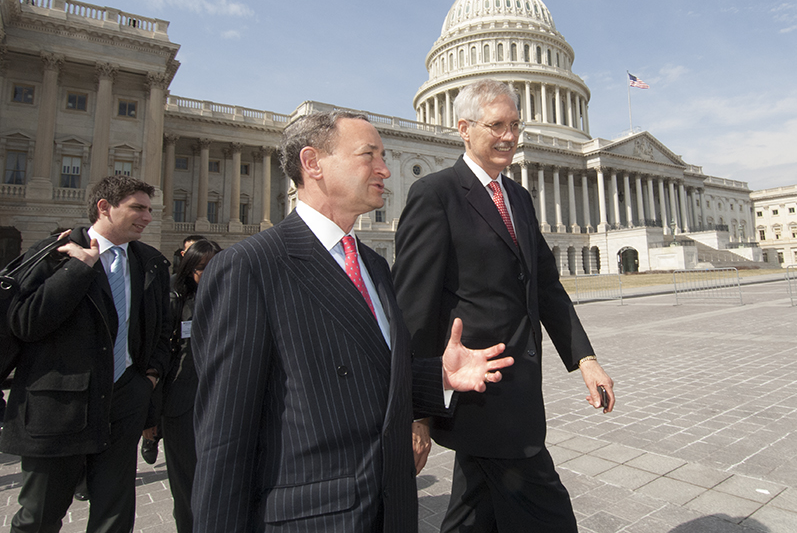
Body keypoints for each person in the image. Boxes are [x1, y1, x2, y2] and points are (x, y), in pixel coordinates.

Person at [191, 110, 514, 532]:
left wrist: (436, 377)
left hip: (389, 507)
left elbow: (364, 379)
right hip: (313, 518)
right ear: (313, 163)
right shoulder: (250, 267)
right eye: (369, 155)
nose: (385, 169)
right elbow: (224, 439)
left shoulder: (374, 266)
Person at [393, 79, 616, 533]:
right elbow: (412, 309)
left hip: (519, 389)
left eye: (515, 125)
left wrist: (584, 358)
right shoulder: (436, 195)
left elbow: (547, 287)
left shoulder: (518, 197)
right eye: (496, 125)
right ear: (464, 129)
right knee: (549, 515)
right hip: (481, 392)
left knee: (474, 512)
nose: (509, 136)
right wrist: (416, 411)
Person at [1, 175, 172, 533]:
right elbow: (26, 322)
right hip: (59, 408)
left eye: (149, 209)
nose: (147, 217)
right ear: (104, 208)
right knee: (39, 516)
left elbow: (160, 329)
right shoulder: (54, 253)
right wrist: (78, 270)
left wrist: (149, 377)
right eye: (138, 208)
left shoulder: (150, 262)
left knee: (114, 515)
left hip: (123, 400)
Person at [159, 239, 220, 533]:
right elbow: (159, 354)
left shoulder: (230, 296)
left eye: (214, 266)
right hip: (181, 402)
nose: (207, 274)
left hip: (220, 401)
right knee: (186, 484)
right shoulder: (175, 298)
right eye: (201, 268)